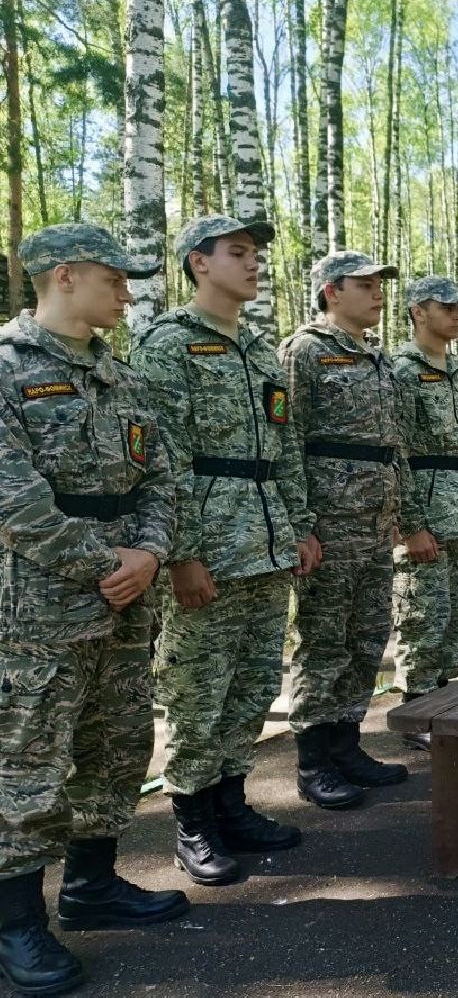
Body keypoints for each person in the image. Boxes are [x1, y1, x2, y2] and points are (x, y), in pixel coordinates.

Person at [0, 224, 189, 997]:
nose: (128, 291)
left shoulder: (124, 378)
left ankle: (92, 885)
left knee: (115, 744)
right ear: (65, 275)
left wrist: (146, 557)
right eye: (116, 278)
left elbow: (162, 480)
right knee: (28, 763)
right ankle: (16, 924)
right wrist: (106, 564)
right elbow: (14, 498)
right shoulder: (8, 368)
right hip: (39, 604)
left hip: (123, 598)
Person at [132, 215, 320, 887]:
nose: (254, 264)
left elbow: (284, 447)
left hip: (265, 542)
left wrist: (299, 525)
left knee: (250, 684)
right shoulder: (167, 345)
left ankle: (232, 805)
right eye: (237, 253)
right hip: (208, 546)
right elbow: (163, 457)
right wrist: (181, 554)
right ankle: (191, 823)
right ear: (198, 263)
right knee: (196, 689)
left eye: (256, 255)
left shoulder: (263, 351)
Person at [279, 251, 424, 809]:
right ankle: (314, 760)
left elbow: (395, 449)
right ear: (330, 292)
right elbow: (287, 442)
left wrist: (406, 517)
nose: (377, 293)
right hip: (330, 523)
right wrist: (300, 524)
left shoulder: (378, 358)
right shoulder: (305, 352)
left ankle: (347, 743)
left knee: (366, 637)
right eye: (364, 285)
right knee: (324, 643)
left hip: (375, 522)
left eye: (379, 284)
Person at [390, 277, 458, 750]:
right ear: (417, 312)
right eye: (446, 306)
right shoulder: (401, 370)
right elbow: (398, 452)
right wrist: (412, 524)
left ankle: (445, 702)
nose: (457, 313)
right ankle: (418, 710)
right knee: (425, 613)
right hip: (426, 505)